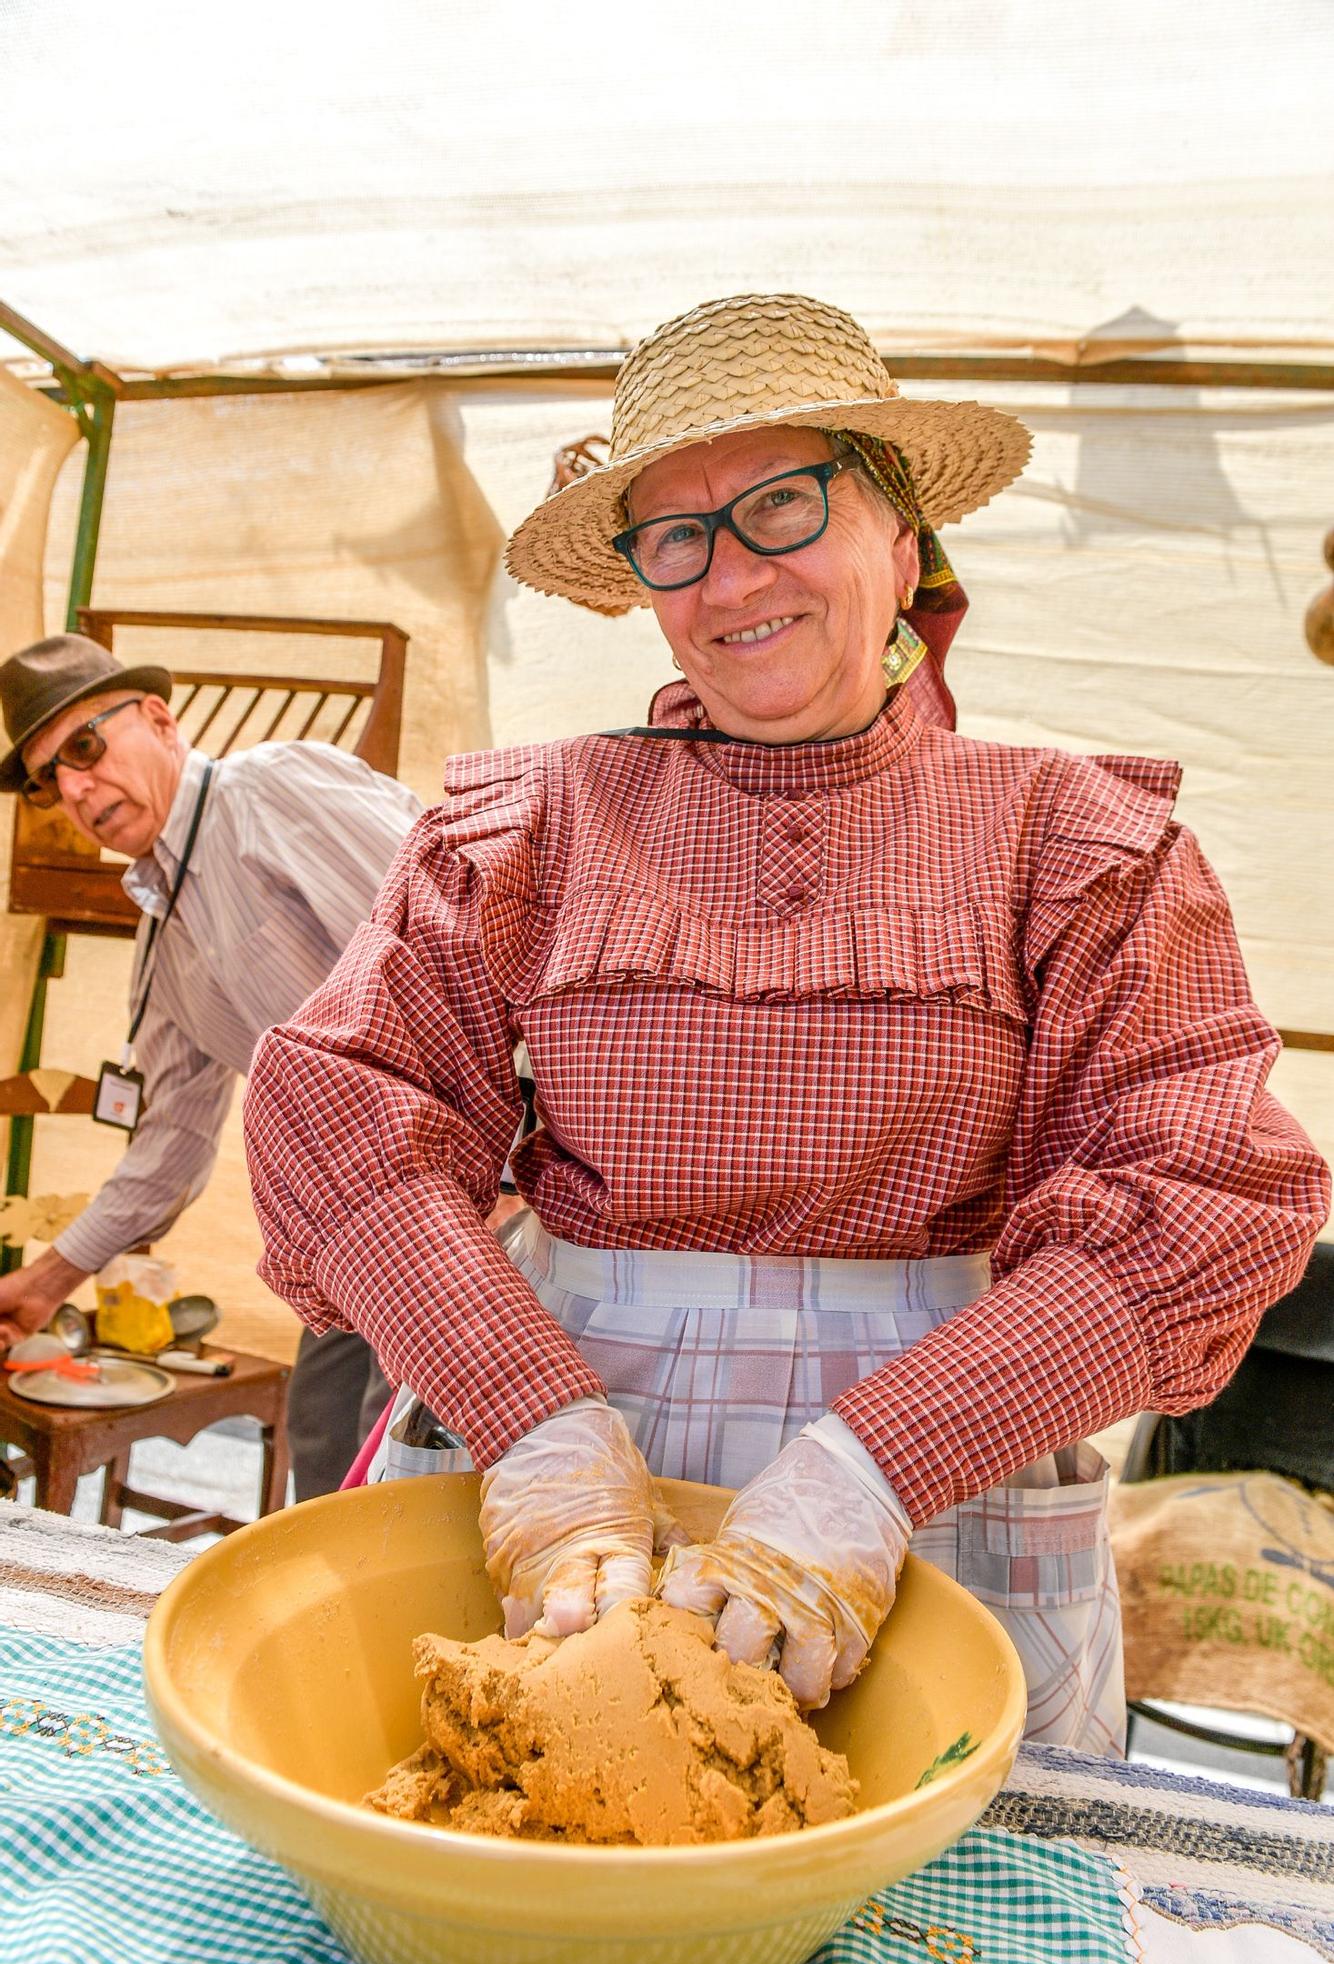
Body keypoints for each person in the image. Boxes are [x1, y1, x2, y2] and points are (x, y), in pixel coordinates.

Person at [242, 293, 1329, 1751]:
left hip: (943, 1466)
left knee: (930, 1930)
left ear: (900, 537)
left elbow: (1197, 1197)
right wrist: (533, 1424)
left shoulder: (1070, 839)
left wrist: (873, 1471)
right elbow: (342, 1118)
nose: (727, 574)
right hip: (559, 1460)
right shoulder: (528, 823)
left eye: (781, 504)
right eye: (674, 537)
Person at [0, 634, 424, 1497]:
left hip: (459, 1195)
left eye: (84, 746)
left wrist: (514, 1155)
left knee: (401, 1472)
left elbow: (456, 928)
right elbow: (168, 1149)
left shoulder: (269, 789)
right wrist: (47, 1282)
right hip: (347, 1229)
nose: (74, 789)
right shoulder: (163, 940)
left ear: (159, 720)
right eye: (50, 779)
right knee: (322, 1447)